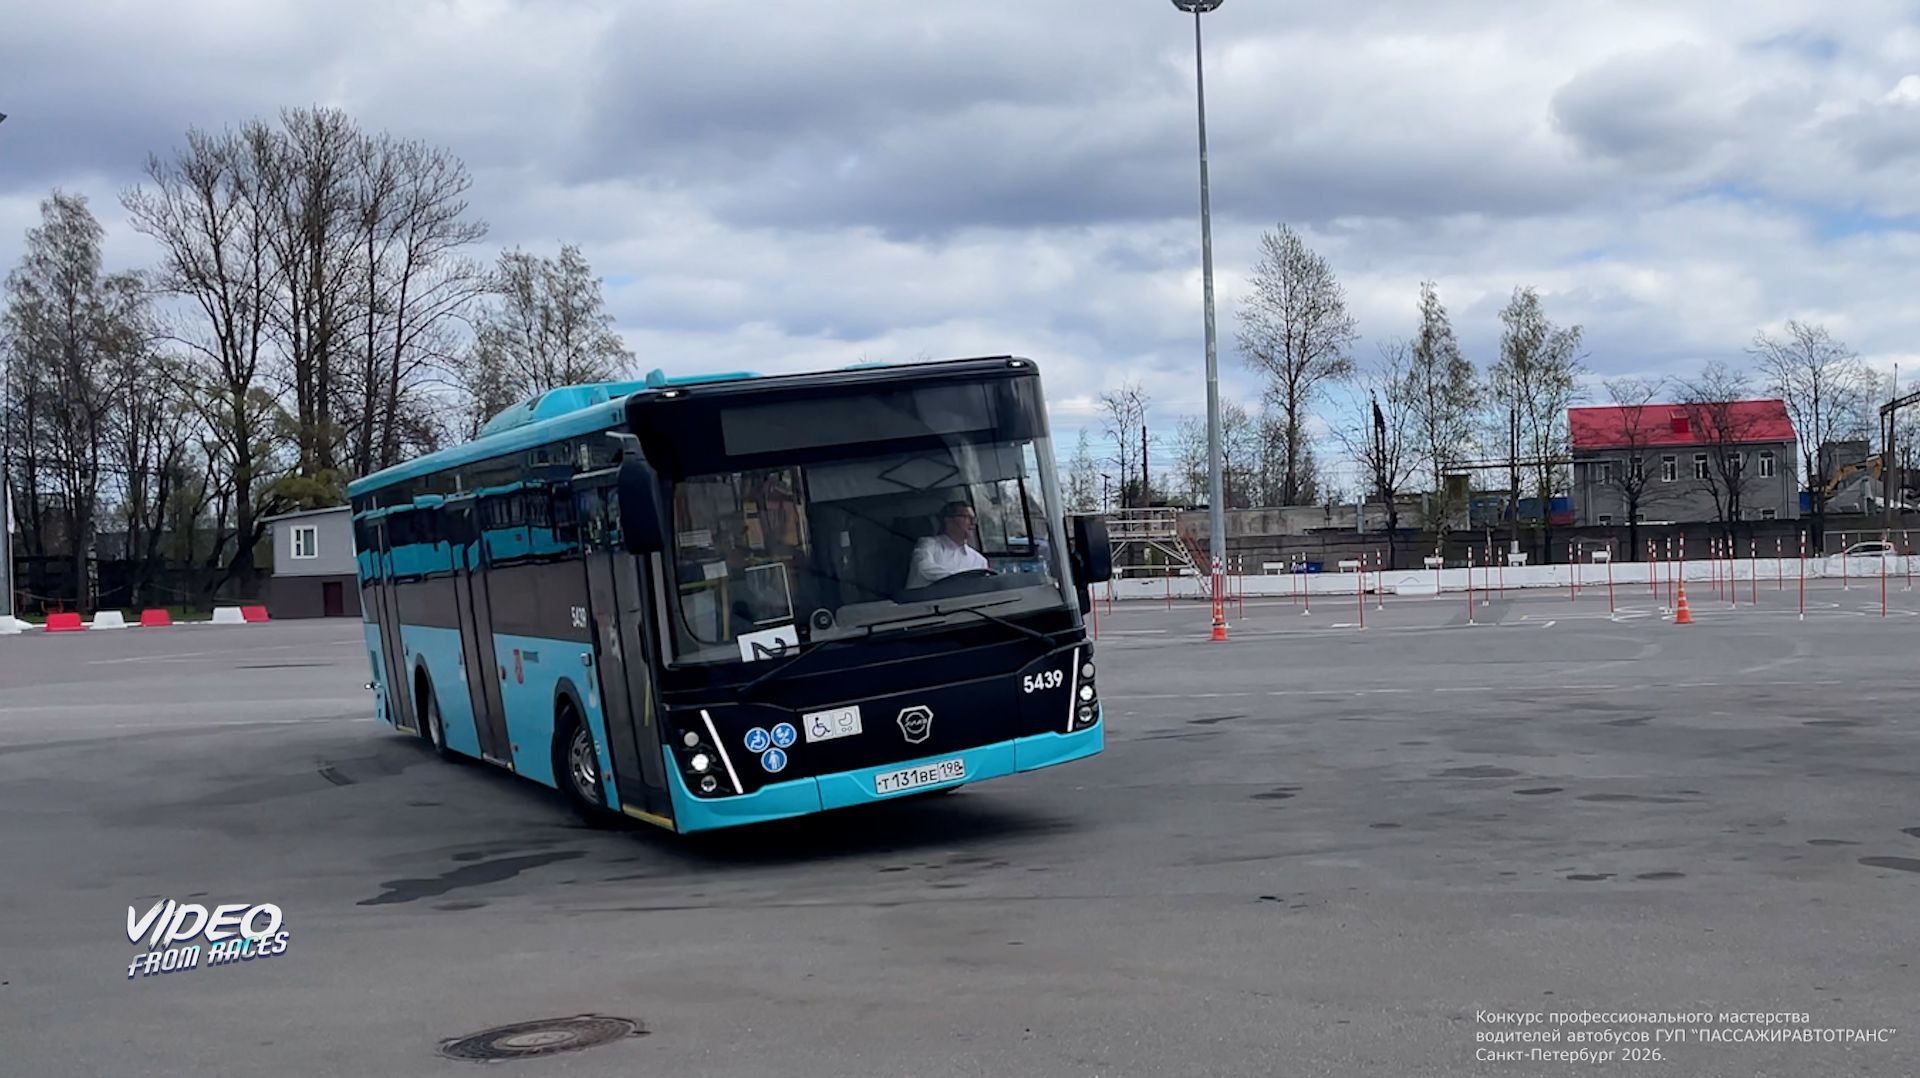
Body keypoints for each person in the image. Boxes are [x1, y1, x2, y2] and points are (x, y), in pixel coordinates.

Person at [904, 501, 990, 589]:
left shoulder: (979, 560)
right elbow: (924, 568)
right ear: (948, 520)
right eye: (967, 517)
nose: (973, 523)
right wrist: (961, 580)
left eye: (974, 518)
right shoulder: (928, 545)